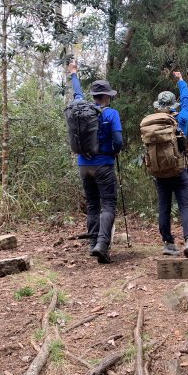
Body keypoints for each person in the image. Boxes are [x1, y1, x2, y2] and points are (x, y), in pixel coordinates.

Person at [68, 60, 123, 264]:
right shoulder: (111, 114)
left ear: (93, 97)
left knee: (92, 204)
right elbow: (118, 140)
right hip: (103, 165)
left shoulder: (82, 109)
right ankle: (102, 244)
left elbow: (77, 93)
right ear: (107, 96)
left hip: (84, 165)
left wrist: (74, 73)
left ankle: (93, 244)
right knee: (108, 205)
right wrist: (115, 151)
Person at [151, 72, 188, 258]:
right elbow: (187, 102)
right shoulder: (182, 118)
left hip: (160, 172)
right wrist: (180, 81)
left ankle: (168, 243)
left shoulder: (153, 123)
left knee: (163, 206)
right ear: (173, 105)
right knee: (185, 205)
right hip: (179, 169)